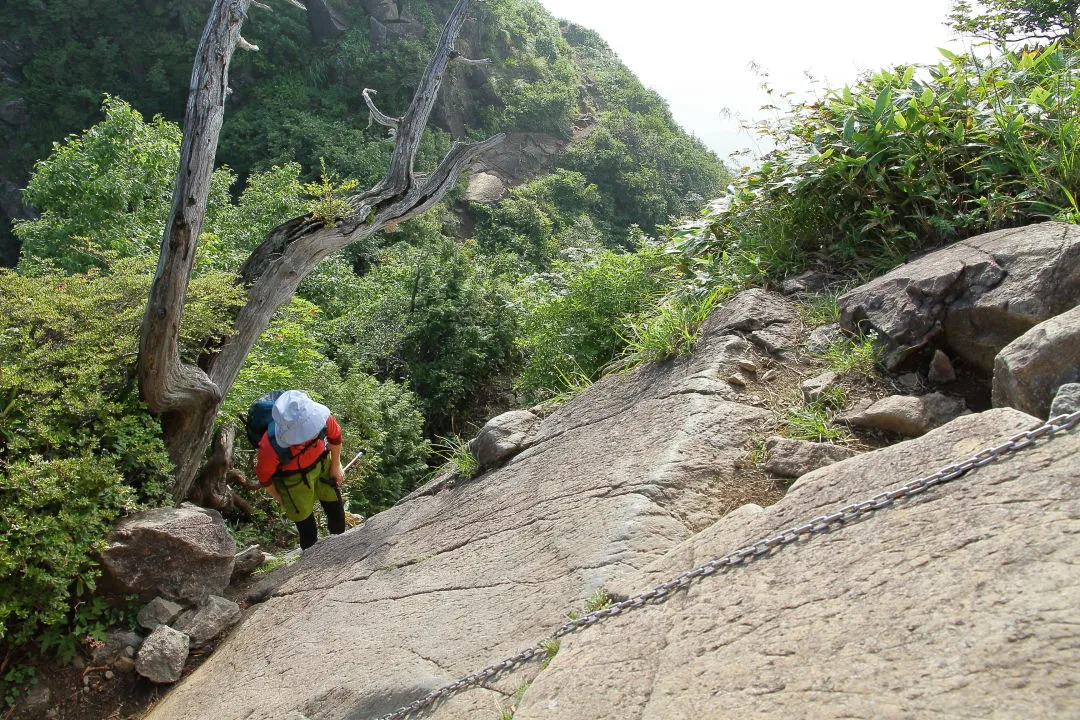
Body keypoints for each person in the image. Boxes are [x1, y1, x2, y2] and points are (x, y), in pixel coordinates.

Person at [255, 390, 346, 550]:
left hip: (323, 465)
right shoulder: (270, 446)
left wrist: (336, 465)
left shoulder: (322, 419)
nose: (313, 433)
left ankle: (340, 546)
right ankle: (310, 561)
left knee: (336, 512)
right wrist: (281, 498)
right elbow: (265, 479)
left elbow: (335, 437)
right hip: (292, 481)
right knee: (307, 529)